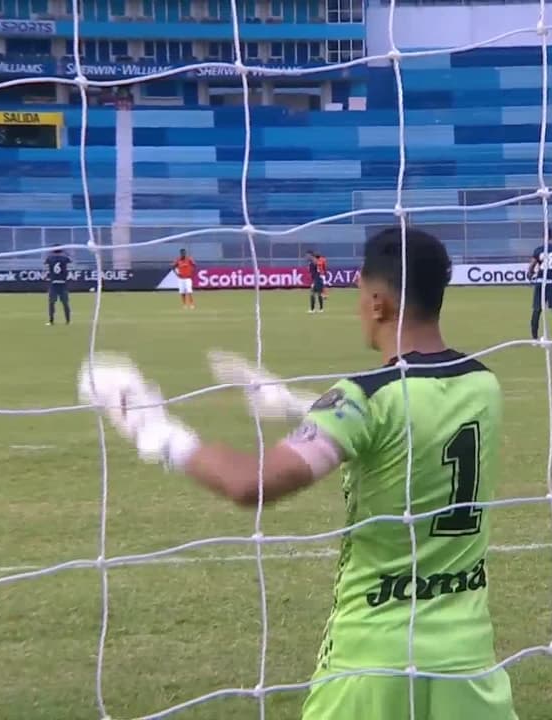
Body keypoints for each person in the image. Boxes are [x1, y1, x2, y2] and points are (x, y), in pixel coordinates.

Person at [79, 227, 517, 720]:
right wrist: (295, 404)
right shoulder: (484, 384)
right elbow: (413, 425)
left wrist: (154, 429)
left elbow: (252, 484)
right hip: (467, 663)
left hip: (373, 660)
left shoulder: (364, 396)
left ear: (377, 303)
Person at [528, 229, 552, 340]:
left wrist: (531, 275)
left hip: (540, 283)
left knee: (537, 310)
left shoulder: (538, 250)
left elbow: (531, 267)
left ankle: (534, 339)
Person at [45, 247, 71, 325]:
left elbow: (46, 265)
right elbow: (70, 261)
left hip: (54, 283)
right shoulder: (65, 258)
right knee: (65, 303)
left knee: (51, 303)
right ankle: (68, 320)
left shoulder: (49, 258)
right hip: (63, 283)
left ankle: (51, 320)